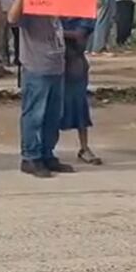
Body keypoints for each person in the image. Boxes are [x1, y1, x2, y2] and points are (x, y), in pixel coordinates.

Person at [8, 0, 73, 178]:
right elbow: (12, 18)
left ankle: (47, 154)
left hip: (56, 67)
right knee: (35, 114)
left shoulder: (55, 5)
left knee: (53, 116)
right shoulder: (30, 5)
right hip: (36, 67)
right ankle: (30, 157)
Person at [60, 17, 102, 165]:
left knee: (79, 106)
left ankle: (84, 147)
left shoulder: (82, 14)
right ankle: (45, 149)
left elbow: (79, 36)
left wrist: (56, 32)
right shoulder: (52, 12)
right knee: (50, 107)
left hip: (74, 64)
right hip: (51, 62)